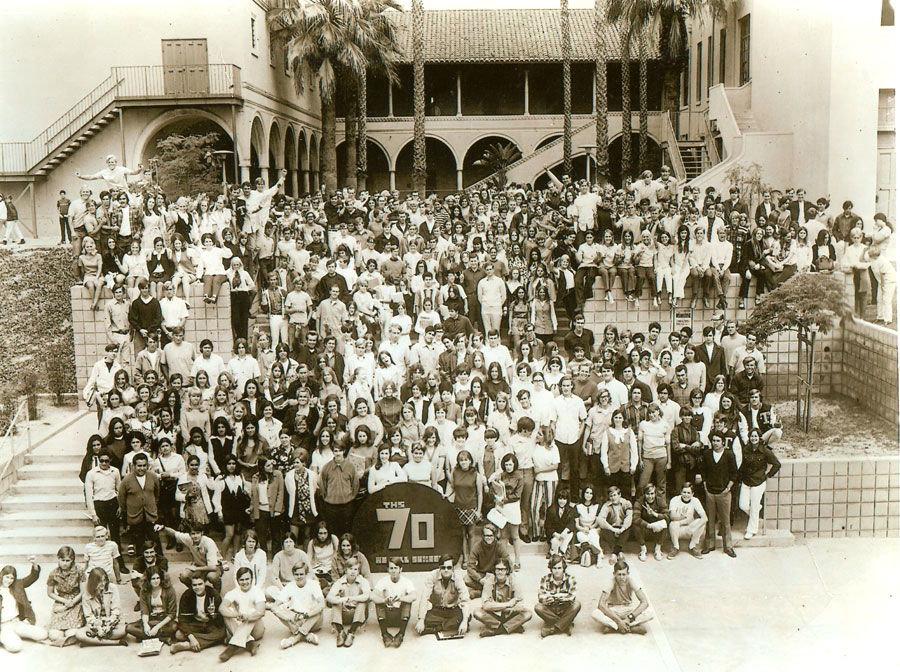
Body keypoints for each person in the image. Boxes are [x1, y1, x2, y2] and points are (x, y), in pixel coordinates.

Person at [699, 433, 739, 557]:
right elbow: (703, 471)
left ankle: (728, 547)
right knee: (710, 520)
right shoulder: (707, 455)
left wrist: (728, 488)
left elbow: (734, 473)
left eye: (718, 440)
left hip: (724, 493)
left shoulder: (729, 455)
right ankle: (709, 545)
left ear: (723, 442)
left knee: (725, 521)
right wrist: (705, 486)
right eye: (713, 440)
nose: (715, 442)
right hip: (710, 492)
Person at [738, 428, 782, 539]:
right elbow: (742, 464)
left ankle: (751, 530)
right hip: (746, 481)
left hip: (758, 482)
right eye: (752, 436)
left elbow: (777, 464)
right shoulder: (746, 449)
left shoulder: (765, 451)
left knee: (754, 506)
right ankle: (756, 511)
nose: (753, 438)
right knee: (742, 505)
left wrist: (768, 476)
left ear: (759, 438)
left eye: (756, 436)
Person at [270, 563, 325, 649]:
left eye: (301, 574)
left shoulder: (313, 584)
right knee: (277, 609)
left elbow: (322, 603)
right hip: (296, 620)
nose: (299, 577)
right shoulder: (289, 586)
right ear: (293, 575)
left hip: (311, 619)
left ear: (306, 574)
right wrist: (287, 617)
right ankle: (306, 635)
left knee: (319, 609)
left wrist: (306, 615)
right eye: (296, 574)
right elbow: (275, 606)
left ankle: (295, 639)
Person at [473, 557, 532, 637]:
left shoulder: (514, 581)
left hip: (509, 614)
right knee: (477, 612)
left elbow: (520, 603)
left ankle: (496, 630)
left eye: (503, 569)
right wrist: (508, 604)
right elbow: (486, 605)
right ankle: (511, 627)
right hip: (494, 614)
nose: (500, 572)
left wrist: (497, 606)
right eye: (497, 569)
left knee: (528, 613)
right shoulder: (489, 581)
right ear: (494, 570)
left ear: (507, 571)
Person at [169, 572, 226, 654]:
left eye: (200, 584)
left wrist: (213, 614)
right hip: (195, 624)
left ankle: (187, 645)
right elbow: (182, 619)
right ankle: (198, 641)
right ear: (191, 586)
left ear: (205, 584)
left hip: (210, 624)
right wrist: (191, 637)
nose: (197, 587)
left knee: (222, 633)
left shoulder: (213, 594)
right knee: (178, 635)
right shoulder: (187, 595)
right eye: (194, 585)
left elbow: (220, 620)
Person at [592, 559, 653, 635]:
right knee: (595, 614)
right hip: (613, 610)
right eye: (619, 574)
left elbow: (645, 602)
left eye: (624, 574)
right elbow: (601, 604)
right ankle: (630, 627)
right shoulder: (610, 582)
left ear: (628, 574)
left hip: (627, 610)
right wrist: (618, 621)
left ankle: (615, 627)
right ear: (614, 574)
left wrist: (629, 618)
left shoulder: (631, 581)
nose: (621, 577)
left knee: (650, 612)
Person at [218, 566, 266, 661]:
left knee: (253, 611)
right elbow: (221, 608)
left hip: (256, 629)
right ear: (238, 581)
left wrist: (247, 617)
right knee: (227, 612)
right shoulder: (233, 592)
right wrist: (236, 615)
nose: (245, 582)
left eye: (247, 579)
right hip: (240, 626)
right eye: (242, 580)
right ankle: (250, 643)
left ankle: (232, 647)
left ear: (252, 579)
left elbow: (261, 612)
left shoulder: (258, 592)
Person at [415, 554, 471, 636]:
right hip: (437, 610)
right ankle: (450, 625)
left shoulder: (458, 579)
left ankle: (435, 628)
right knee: (426, 619)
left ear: (453, 569)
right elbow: (425, 598)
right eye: (443, 567)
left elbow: (465, 600)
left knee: (467, 617)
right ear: (439, 568)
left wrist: (465, 621)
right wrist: (421, 620)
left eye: (449, 567)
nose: (446, 570)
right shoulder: (432, 576)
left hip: (452, 610)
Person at [0, 559, 48, 652]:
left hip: (16, 622)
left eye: (12, 578)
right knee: (16, 647)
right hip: (3, 626)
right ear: (1, 576)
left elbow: (32, 578)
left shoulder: (17, 585)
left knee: (43, 634)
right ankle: (5, 636)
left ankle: (14, 634)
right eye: (7, 577)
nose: (9, 581)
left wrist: (34, 564)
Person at [372, 557, 417, 647]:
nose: (393, 571)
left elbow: (414, 596)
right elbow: (372, 596)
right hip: (387, 616)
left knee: (407, 602)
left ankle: (400, 634)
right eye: (391, 568)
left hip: (400, 617)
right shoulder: (383, 580)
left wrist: (400, 598)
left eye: (396, 568)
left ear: (401, 569)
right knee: (379, 603)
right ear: (388, 570)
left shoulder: (406, 581)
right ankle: (384, 634)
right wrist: (384, 600)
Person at [326, 556, 371, 647]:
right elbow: (329, 597)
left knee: (362, 603)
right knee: (335, 603)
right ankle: (340, 632)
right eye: (350, 569)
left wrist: (353, 598)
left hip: (357, 615)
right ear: (346, 570)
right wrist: (341, 600)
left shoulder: (363, 581)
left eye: (356, 569)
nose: (353, 572)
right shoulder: (339, 582)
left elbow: (367, 595)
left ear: (358, 571)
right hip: (344, 614)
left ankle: (351, 632)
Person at [74, 567, 126, 646]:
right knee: (79, 634)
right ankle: (114, 642)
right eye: (99, 581)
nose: (103, 583)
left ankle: (92, 641)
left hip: (111, 624)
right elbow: (89, 616)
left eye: (104, 580)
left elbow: (116, 611)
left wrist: (109, 626)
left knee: (123, 631)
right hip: (96, 625)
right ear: (93, 582)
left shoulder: (112, 588)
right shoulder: (86, 595)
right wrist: (98, 628)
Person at [125, 566, 177, 642]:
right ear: (148, 580)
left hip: (164, 620)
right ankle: (162, 638)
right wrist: (146, 625)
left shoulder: (169, 589)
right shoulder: (144, 590)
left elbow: (172, 614)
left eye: (158, 578)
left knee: (174, 627)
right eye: (153, 579)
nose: (156, 581)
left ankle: (145, 637)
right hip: (151, 619)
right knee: (129, 628)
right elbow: (144, 611)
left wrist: (157, 627)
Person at [534, 554, 580, 638]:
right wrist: (562, 596)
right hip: (551, 609)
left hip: (565, 609)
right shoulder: (545, 578)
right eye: (554, 568)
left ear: (563, 568)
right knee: (538, 607)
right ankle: (565, 624)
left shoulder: (570, 578)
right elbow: (541, 597)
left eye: (559, 568)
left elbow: (572, 596)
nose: (557, 571)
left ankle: (553, 628)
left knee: (577, 604)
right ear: (551, 569)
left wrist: (552, 596)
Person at [465, 523, 510, 593]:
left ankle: (480, 591)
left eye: (491, 535)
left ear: (494, 536)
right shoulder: (477, 547)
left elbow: (508, 560)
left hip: (495, 574)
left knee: (510, 578)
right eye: (486, 535)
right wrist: (480, 579)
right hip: (483, 575)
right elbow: (470, 567)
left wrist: (501, 573)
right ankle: (492, 590)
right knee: (466, 579)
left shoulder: (499, 545)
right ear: (482, 536)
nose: (489, 538)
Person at [667, 482, 707, 559]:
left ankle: (692, 546)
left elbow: (705, 518)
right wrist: (684, 517)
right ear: (680, 492)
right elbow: (672, 516)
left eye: (689, 493)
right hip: (677, 529)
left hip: (689, 529)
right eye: (684, 492)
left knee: (700, 522)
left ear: (692, 494)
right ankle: (676, 547)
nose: (686, 495)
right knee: (673, 524)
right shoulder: (675, 500)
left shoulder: (695, 500)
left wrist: (694, 528)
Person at [597, 485, 633, 564]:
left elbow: (629, 518)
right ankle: (619, 552)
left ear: (619, 495)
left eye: (615, 495)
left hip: (622, 528)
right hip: (612, 528)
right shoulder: (607, 505)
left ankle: (614, 553)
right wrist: (613, 529)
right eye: (611, 496)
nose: (613, 498)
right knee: (603, 529)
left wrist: (622, 529)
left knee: (629, 528)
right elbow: (600, 519)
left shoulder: (626, 503)